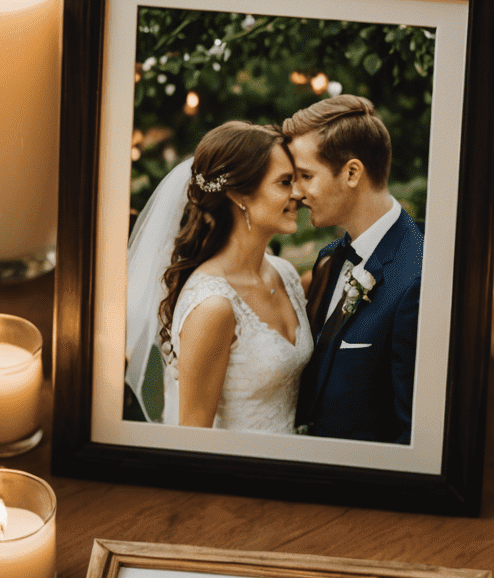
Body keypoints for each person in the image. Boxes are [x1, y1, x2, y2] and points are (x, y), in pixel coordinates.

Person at [125, 122, 314, 434]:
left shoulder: (286, 274)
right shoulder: (213, 306)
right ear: (240, 195)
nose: (297, 193)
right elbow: (193, 436)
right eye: (284, 182)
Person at [283, 97, 422, 444]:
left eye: (306, 176)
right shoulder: (330, 258)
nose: (297, 192)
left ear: (352, 173)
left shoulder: (418, 278)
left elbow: (413, 433)